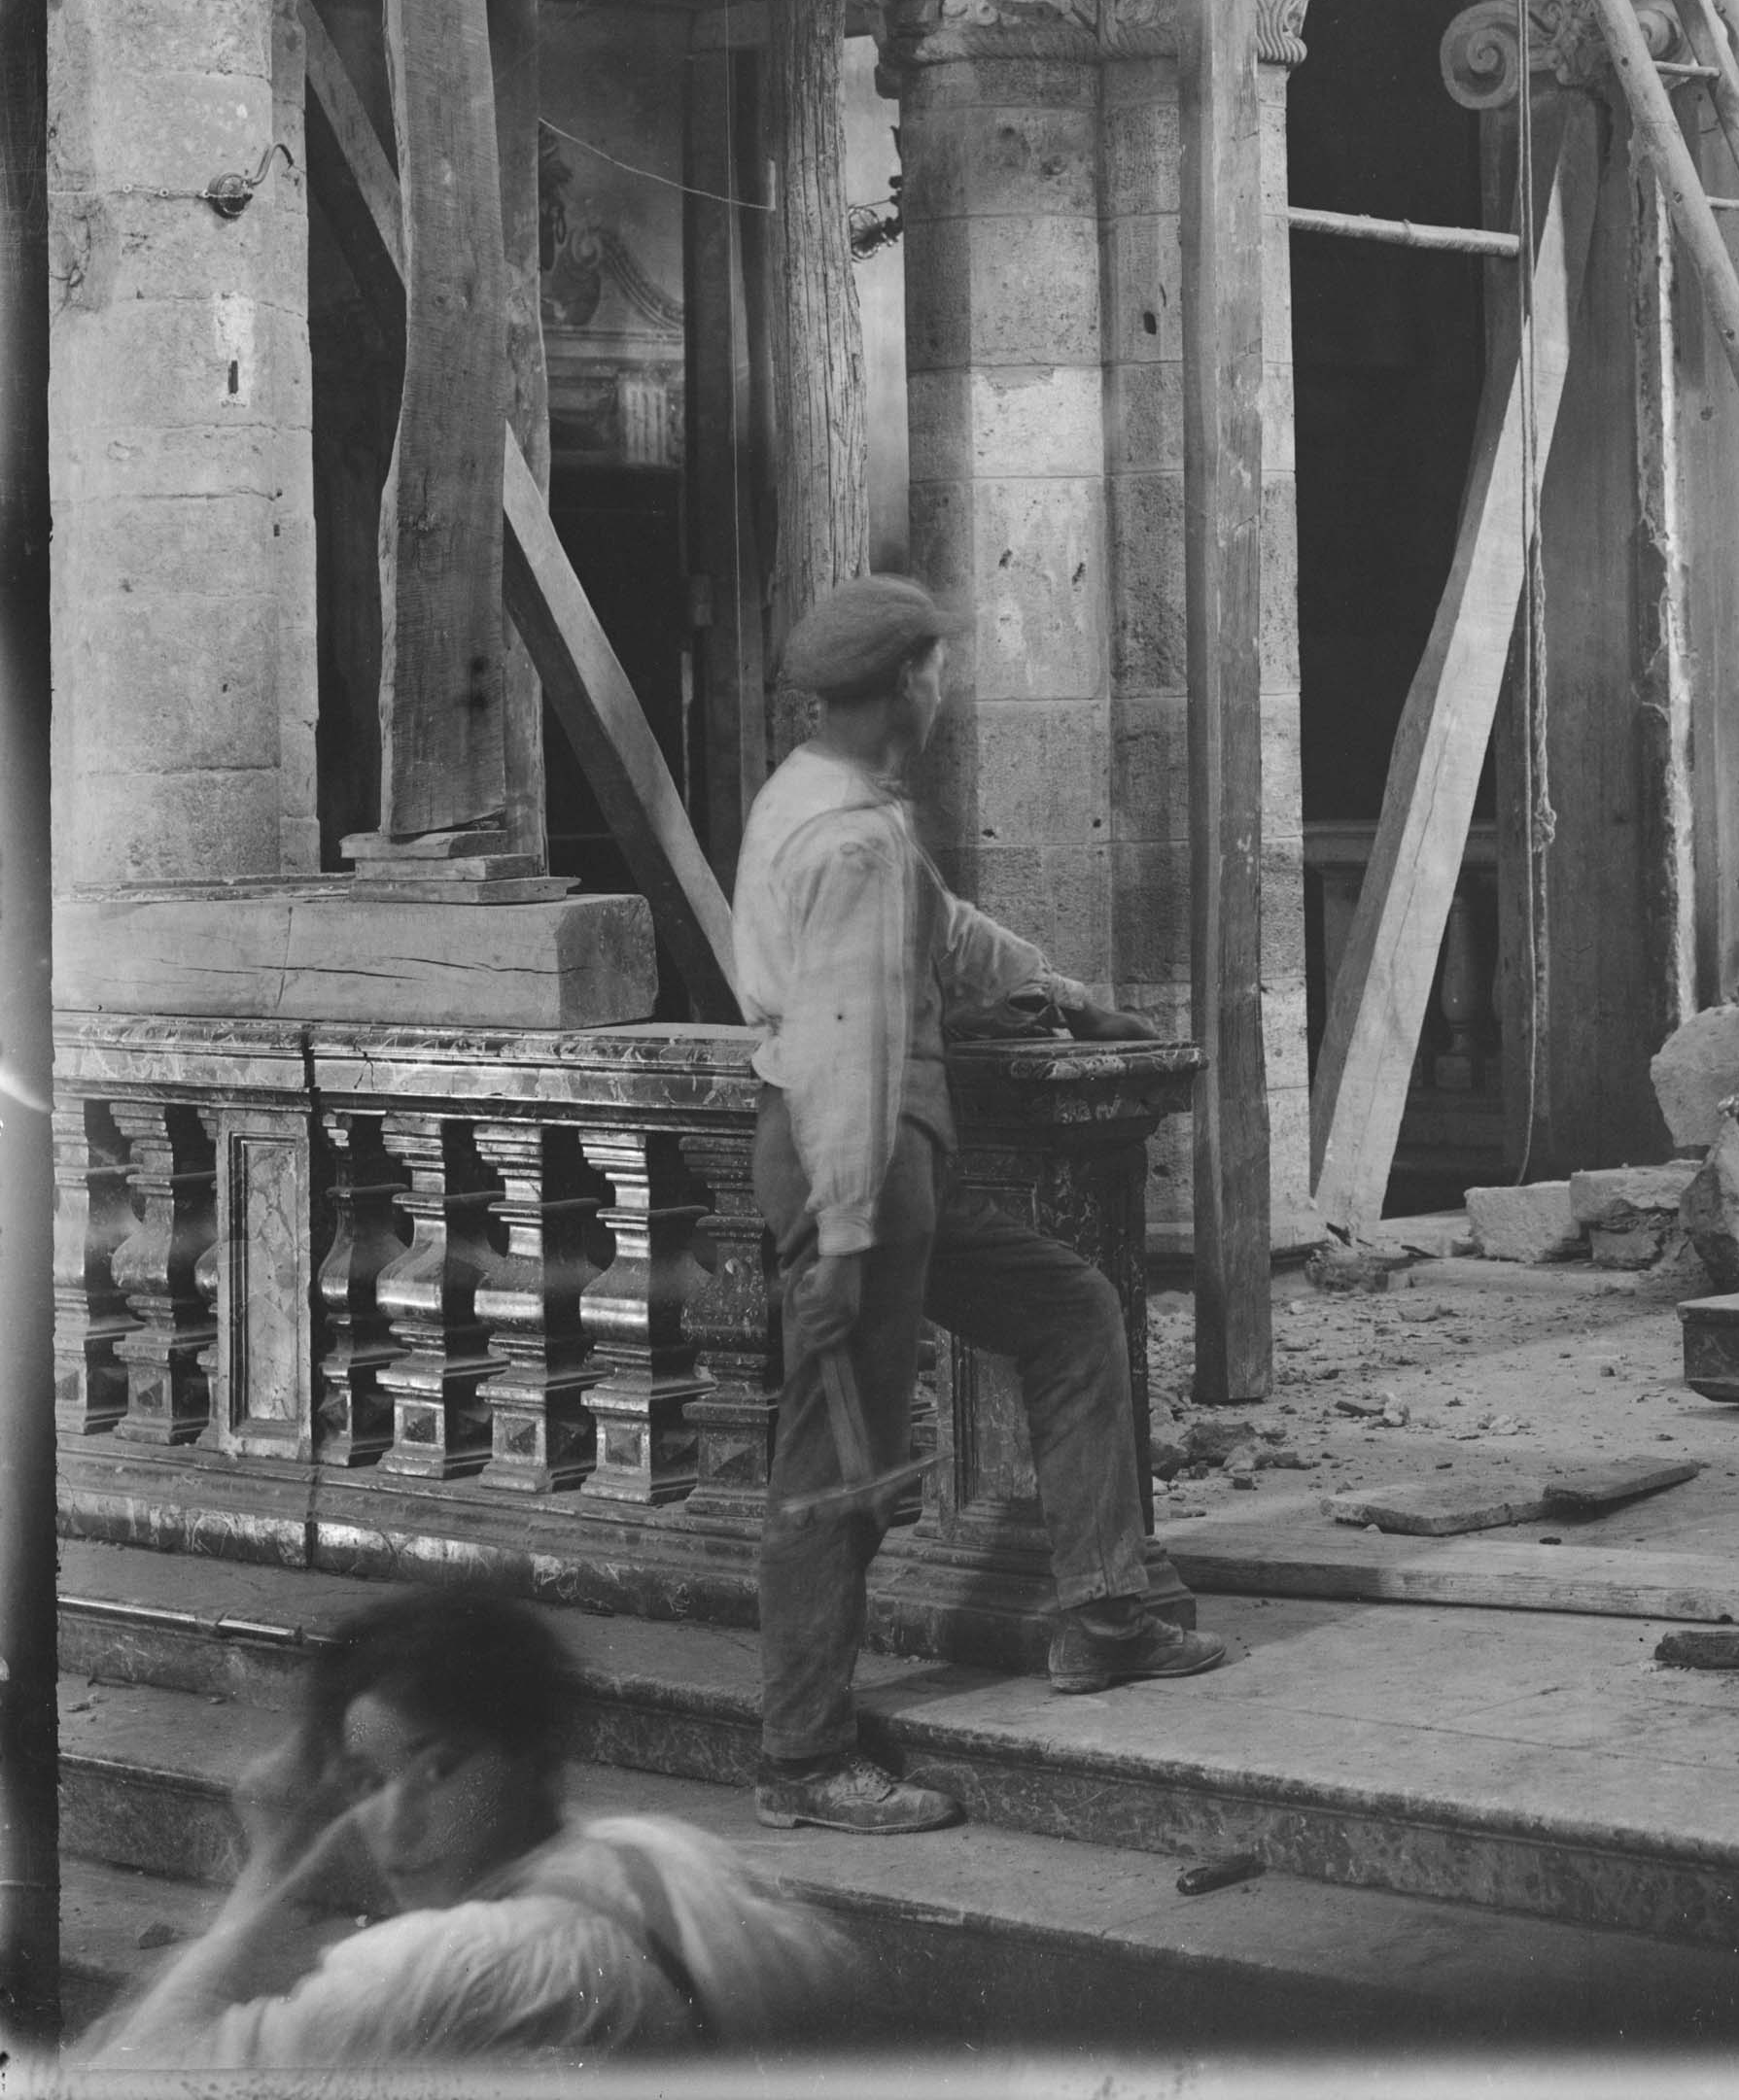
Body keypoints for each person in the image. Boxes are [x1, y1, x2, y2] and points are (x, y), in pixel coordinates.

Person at [739, 572, 1225, 1835]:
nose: (945, 688)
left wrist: (1063, 997)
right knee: (837, 1463)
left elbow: (943, 933)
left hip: (873, 1154)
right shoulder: (847, 839)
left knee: (1070, 1310)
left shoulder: (827, 801)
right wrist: (845, 1242)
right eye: (938, 668)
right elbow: (843, 1050)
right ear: (905, 682)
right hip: (855, 1157)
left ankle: (1103, 1611)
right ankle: (803, 1758)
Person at [80, 1584, 841, 2070]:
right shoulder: (668, 1855)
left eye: (440, 1769)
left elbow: (135, 2073)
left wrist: (271, 1868)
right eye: (369, 1783)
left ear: (535, 1758)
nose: (398, 1822)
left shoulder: (457, 1962)